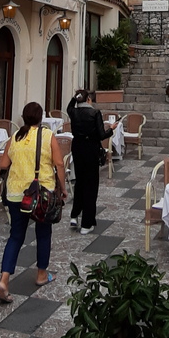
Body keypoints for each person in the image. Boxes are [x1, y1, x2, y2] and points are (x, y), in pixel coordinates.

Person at [0, 102, 67, 303]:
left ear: (23, 117)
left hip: (16, 194)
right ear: (41, 118)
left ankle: (4, 279)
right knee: (43, 233)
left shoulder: (14, 138)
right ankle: (41, 274)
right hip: (41, 193)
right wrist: (63, 187)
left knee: (16, 236)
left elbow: (3, 164)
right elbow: (59, 163)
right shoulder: (47, 136)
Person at [67, 88, 113, 235]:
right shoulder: (94, 113)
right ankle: (87, 222)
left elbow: (69, 106)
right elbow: (101, 135)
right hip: (90, 148)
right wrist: (111, 129)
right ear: (88, 100)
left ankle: (75, 215)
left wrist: (76, 97)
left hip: (77, 147)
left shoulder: (73, 112)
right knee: (91, 185)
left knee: (80, 181)